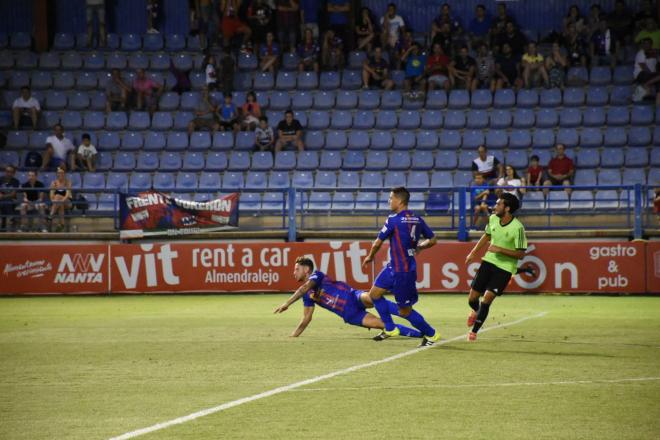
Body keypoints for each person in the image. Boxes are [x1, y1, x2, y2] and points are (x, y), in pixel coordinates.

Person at [361, 187, 441, 347]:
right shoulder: (417, 219)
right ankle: (390, 328)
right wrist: (420, 247)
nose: (389, 201)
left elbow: (378, 242)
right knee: (374, 294)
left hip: (403, 271)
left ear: (399, 200)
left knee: (405, 311)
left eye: (391, 198)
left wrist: (370, 256)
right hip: (394, 267)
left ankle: (432, 334)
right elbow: (433, 240)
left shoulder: (393, 220)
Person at [273, 257, 423, 339]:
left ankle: (406, 311)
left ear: (306, 269)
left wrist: (287, 303)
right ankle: (420, 334)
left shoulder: (316, 275)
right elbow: (306, 318)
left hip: (353, 296)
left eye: (296, 269)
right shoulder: (307, 296)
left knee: (373, 297)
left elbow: (304, 287)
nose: (294, 273)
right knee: (383, 325)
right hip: (351, 315)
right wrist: (294, 335)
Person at [464, 193, 528, 341]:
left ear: (507, 208)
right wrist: (473, 252)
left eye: (499, 204)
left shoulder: (518, 228)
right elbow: (486, 236)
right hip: (488, 262)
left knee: (487, 298)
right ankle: (476, 312)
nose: (495, 206)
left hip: (505, 268)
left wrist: (499, 249)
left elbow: (521, 254)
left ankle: (474, 332)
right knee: (472, 299)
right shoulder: (493, 219)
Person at [49, 167, 72, 232]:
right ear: (57, 174)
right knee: (60, 205)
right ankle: (62, 224)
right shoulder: (54, 183)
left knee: (58, 196)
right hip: (58, 203)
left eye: (62, 173)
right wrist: (56, 201)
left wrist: (60, 200)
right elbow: (51, 195)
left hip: (68, 202)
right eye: (59, 173)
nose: (60, 174)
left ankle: (51, 215)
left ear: (64, 174)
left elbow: (67, 195)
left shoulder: (68, 182)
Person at [0, 165, 19, 232]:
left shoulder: (16, 181)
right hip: (1, 200)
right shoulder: (0, 179)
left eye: (11, 172)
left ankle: (3, 226)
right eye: (7, 171)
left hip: (12, 200)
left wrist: (3, 196)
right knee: (4, 203)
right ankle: (12, 218)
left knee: (6, 201)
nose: (9, 173)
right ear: (5, 172)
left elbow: (13, 194)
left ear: (14, 173)